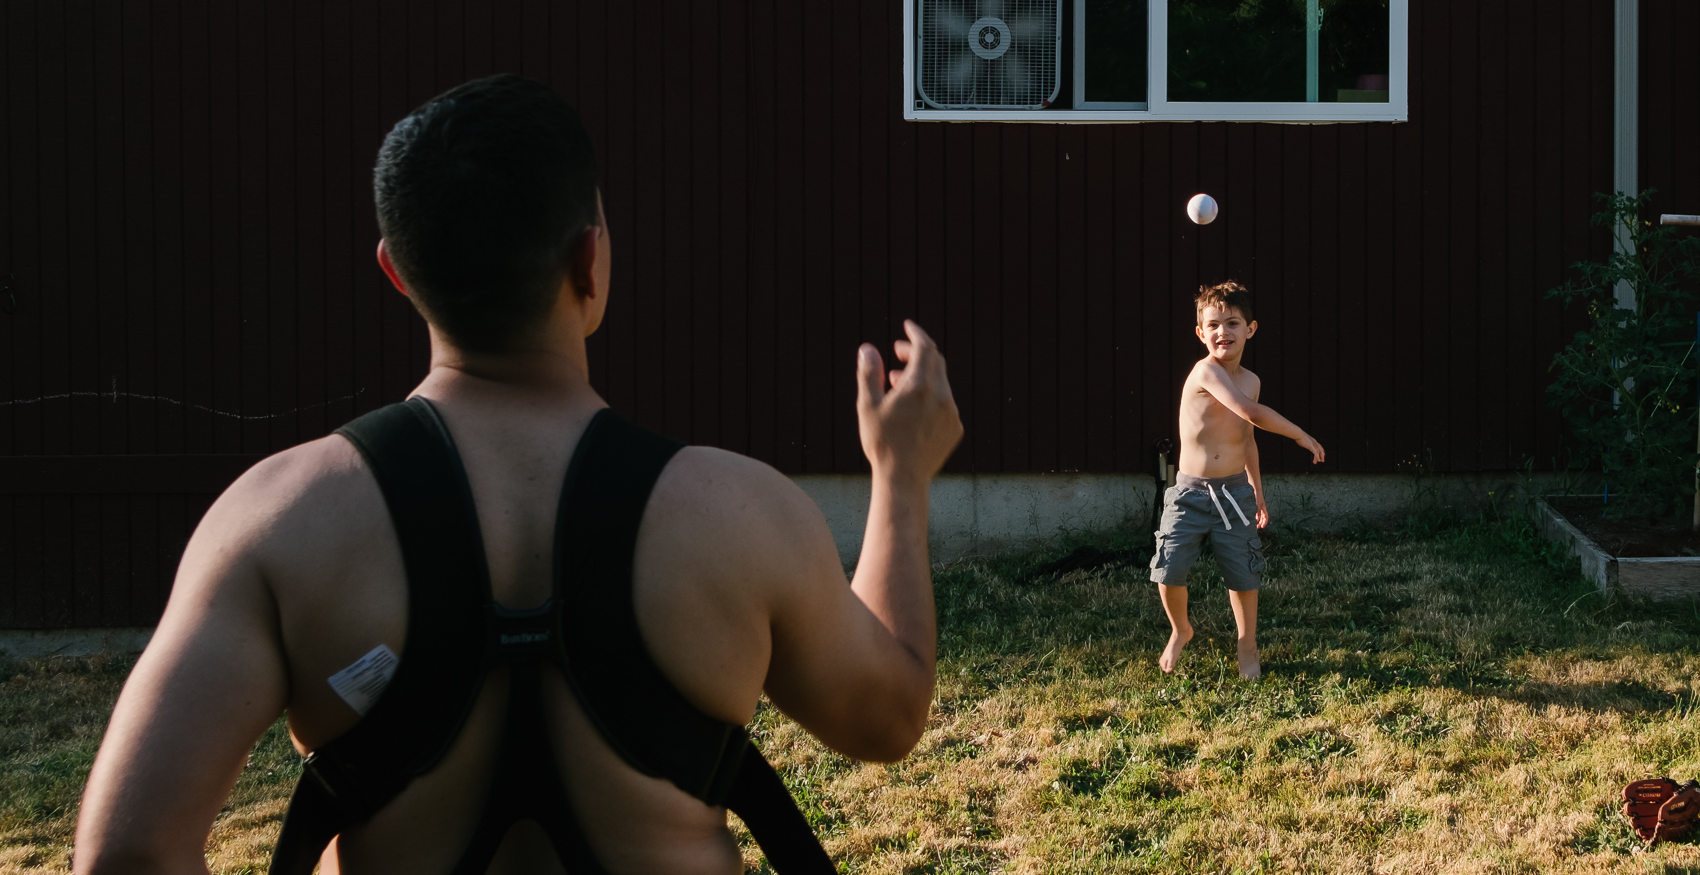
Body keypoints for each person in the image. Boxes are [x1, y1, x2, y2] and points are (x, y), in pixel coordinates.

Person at [73, 75, 964, 875]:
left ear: (396, 272)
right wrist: (899, 475)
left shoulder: (278, 521)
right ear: (589, 260)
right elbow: (886, 718)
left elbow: (129, 850)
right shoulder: (735, 510)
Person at [1150, 280, 1324, 681]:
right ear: (1200, 332)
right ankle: (1181, 629)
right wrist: (1299, 433)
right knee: (1168, 568)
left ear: (1251, 329)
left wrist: (1257, 494)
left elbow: (1248, 439)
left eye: (1232, 323)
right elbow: (1251, 412)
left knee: (1243, 574)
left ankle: (1247, 646)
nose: (1222, 332)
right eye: (1212, 325)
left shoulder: (1251, 380)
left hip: (1234, 493)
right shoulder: (1205, 370)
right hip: (1190, 494)